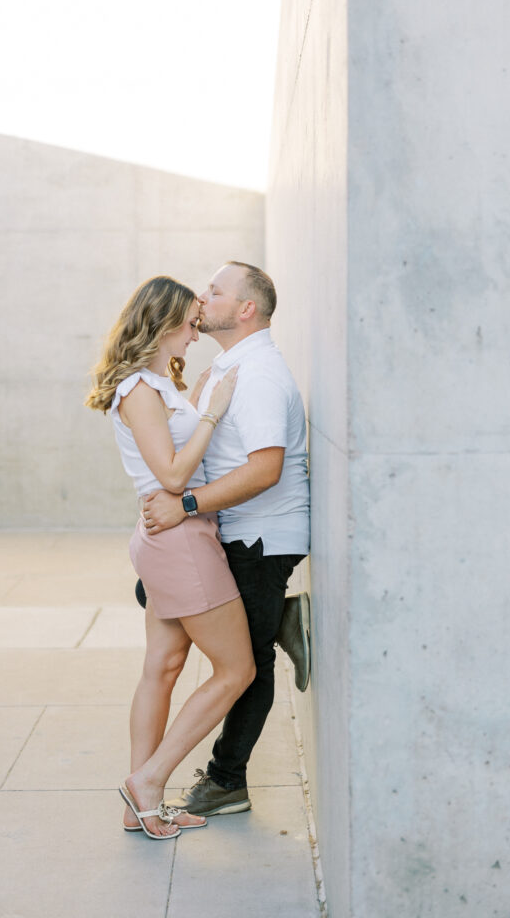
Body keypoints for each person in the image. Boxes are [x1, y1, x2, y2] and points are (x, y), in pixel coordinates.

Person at [85, 275, 255, 840]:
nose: (196, 331)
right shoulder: (139, 389)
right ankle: (150, 781)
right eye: (189, 323)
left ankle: (141, 806)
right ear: (162, 324)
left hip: (166, 537)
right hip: (180, 542)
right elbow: (175, 476)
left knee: (162, 667)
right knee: (237, 669)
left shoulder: (160, 382)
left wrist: (200, 396)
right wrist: (213, 413)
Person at [141, 261, 310, 817]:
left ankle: (226, 780)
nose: (202, 295)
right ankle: (277, 615)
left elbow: (265, 470)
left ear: (245, 309)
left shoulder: (257, 375)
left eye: (215, 290)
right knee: (186, 620)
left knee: (248, 663)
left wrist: (185, 504)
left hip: (258, 538)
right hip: (225, 532)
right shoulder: (225, 367)